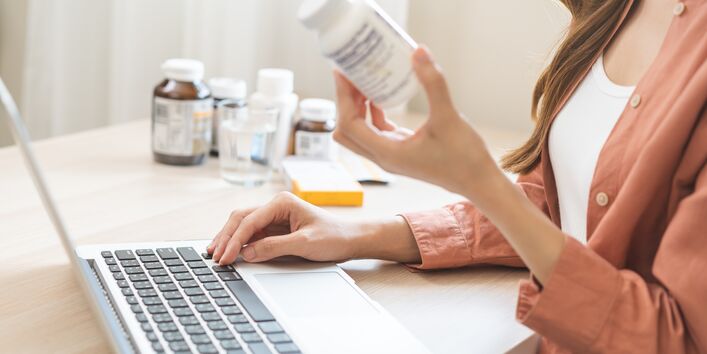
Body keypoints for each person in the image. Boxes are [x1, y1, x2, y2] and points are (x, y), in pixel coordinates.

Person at [207, 0, 706, 352]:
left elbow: (675, 340)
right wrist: (355, 236)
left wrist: (479, 181)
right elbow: (561, 204)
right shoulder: (616, 8)